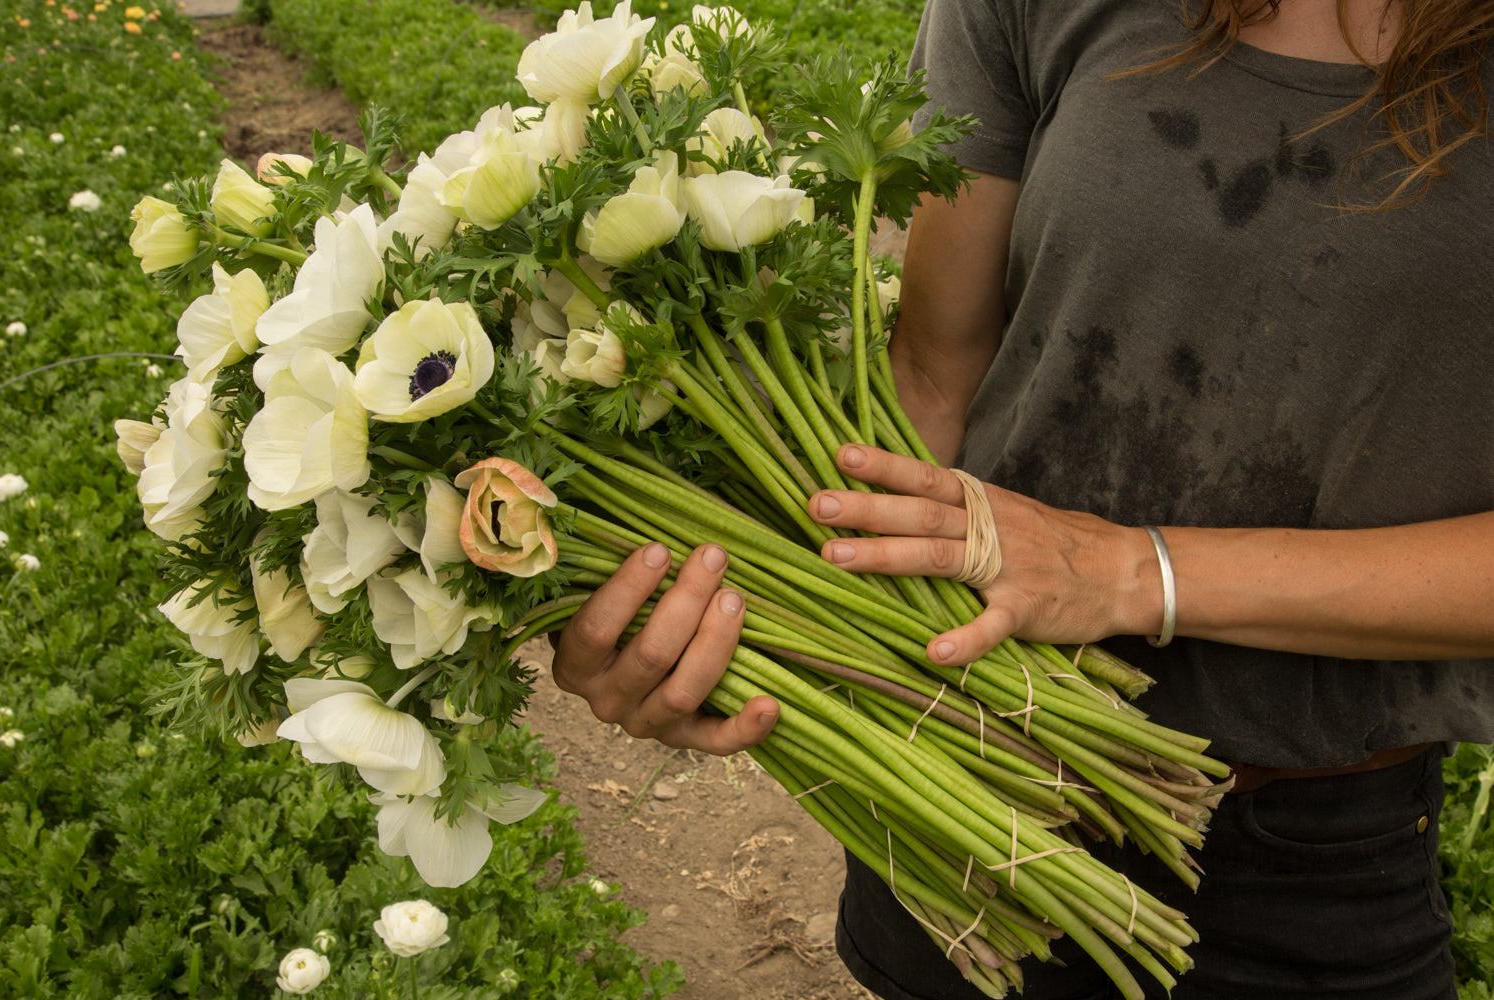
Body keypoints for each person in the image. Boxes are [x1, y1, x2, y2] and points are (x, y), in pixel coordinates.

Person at [551, 0, 1494, 996]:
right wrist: (725, 621)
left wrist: (1139, 572)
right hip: (958, 783)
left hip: (1317, 860)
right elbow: (931, 384)